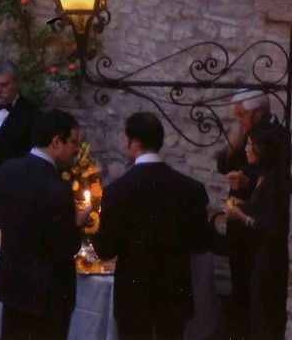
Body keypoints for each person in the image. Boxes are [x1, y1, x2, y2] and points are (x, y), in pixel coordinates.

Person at [95, 112, 211, 340]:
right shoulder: (190, 189)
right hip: (173, 294)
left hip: (134, 295)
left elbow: (105, 249)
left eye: (124, 137)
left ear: (134, 143)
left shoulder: (117, 191)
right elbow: (200, 242)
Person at [0, 109, 86, 340]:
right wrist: (77, 223)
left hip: (12, 287)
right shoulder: (57, 187)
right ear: (56, 141)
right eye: (73, 142)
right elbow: (65, 247)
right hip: (48, 295)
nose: (76, 148)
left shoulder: (7, 169)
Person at [212, 90, 285, 338]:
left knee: (256, 295)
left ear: (259, 113)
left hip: (258, 228)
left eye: (242, 115)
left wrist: (248, 183)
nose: (239, 119)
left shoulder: (277, 139)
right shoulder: (244, 135)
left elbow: (276, 185)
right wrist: (235, 140)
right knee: (239, 285)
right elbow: (222, 163)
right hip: (240, 223)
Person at [224, 122, 290, 339]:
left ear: (261, 150)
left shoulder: (273, 182)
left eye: (249, 144)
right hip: (259, 257)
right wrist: (244, 205)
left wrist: (240, 217)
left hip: (269, 261)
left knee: (265, 317)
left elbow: (271, 227)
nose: (245, 149)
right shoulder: (262, 177)